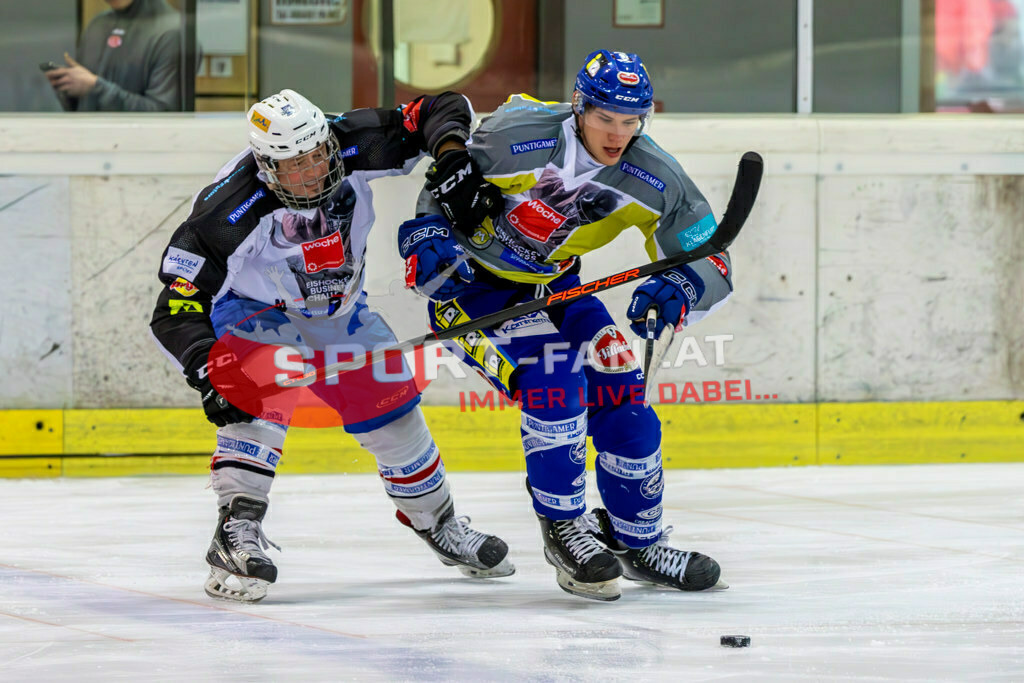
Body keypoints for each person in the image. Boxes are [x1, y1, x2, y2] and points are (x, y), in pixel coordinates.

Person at [150, 88, 513, 602]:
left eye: (318, 154)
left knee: (396, 417)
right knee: (258, 392)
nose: (313, 171)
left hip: (341, 312)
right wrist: (205, 366)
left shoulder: (353, 141)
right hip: (258, 311)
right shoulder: (229, 208)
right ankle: (237, 530)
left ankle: (437, 523)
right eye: (294, 165)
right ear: (265, 165)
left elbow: (441, 108)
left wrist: (451, 154)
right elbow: (175, 302)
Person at [399, 50, 731, 601]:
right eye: (605, 118)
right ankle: (564, 529)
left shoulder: (655, 174)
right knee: (555, 383)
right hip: (477, 292)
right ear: (579, 106)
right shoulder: (518, 131)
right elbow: (443, 186)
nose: (617, 134)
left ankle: (638, 542)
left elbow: (709, 254)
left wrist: (685, 285)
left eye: (631, 121)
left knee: (625, 394)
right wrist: (425, 238)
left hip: (559, 290)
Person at [45, 0, 182, 112]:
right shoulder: (97, 25)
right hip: (90, 141)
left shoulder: (171, 32)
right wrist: (68, 87)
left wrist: (96, 88)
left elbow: (163, 116)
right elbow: (82, 111)